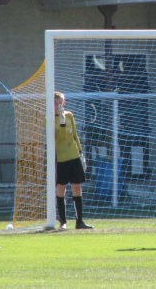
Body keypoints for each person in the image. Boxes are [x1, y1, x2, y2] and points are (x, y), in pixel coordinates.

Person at [54, 92, 93, 230]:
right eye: (55, 103)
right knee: (61, 188)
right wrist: (62, 122)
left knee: (77, 187)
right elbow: (61, 138)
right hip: (61, 158)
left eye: (60, 103)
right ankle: (63, 222)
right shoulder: (49, 119)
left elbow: (75, 135)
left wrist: (81, 152)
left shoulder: (70, 115)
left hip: (74, 156)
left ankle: (79, 221)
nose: (58, 106)